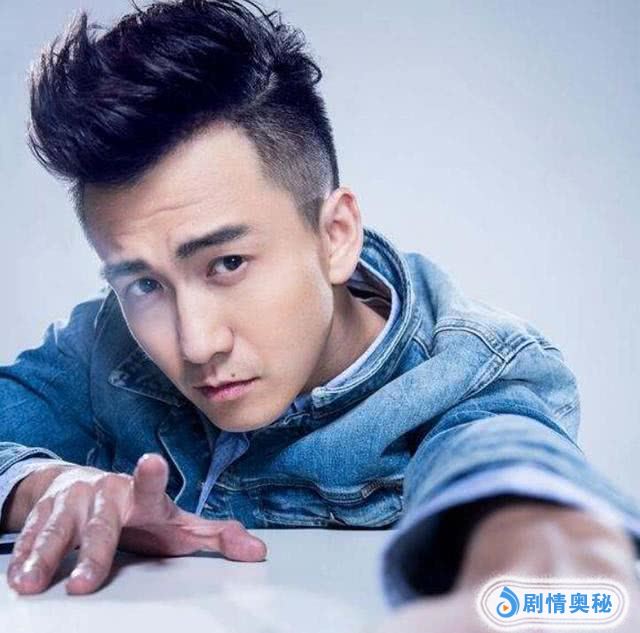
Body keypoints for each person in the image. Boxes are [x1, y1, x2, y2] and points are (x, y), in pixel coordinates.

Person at [0, 0, 638, 628]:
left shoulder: (469, 373)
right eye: (144, 284)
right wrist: (38, 486)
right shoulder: (103, 346)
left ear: (336, 236)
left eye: (227, 263)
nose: (196, 344)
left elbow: (501, 456)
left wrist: (532, 535)